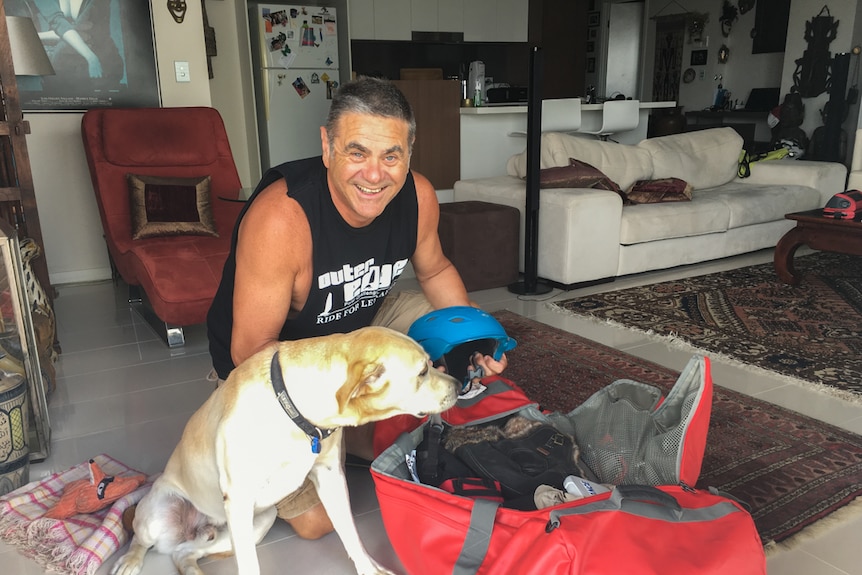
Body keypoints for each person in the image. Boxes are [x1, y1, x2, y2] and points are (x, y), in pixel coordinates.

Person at [206, 77, 507, 540]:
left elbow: (435, 270)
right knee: (315, 523)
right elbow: (252, 352)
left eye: (391, 155)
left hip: (362, 319)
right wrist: (332, 411)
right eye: (357, 152)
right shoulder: (281, 219)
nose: (374, 174)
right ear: (327, 146)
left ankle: (377, 424)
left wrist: (473, 340)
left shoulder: (418, 196)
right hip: (270, 362)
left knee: (443, 337)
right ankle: (360, 429)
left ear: (409, 152)